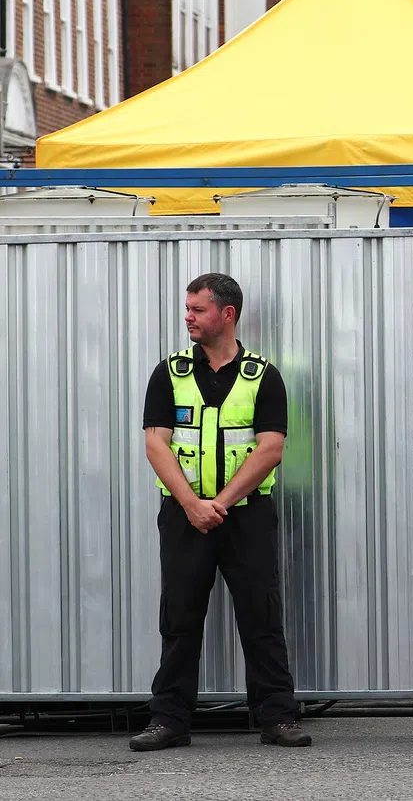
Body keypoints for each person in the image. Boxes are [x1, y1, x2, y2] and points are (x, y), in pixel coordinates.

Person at [129, 272, 311, 752]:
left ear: (227, 314)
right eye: (186, 308)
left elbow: (270, 449)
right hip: (184, 516)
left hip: (245, 517)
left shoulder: (263, 376)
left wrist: (219, 505)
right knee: (180, 618)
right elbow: (155, 443)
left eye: (197, 309)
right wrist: (192, 505)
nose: (187, 317)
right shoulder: (169, 372)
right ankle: (168, 719)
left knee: (260, 616)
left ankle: (277, 717)